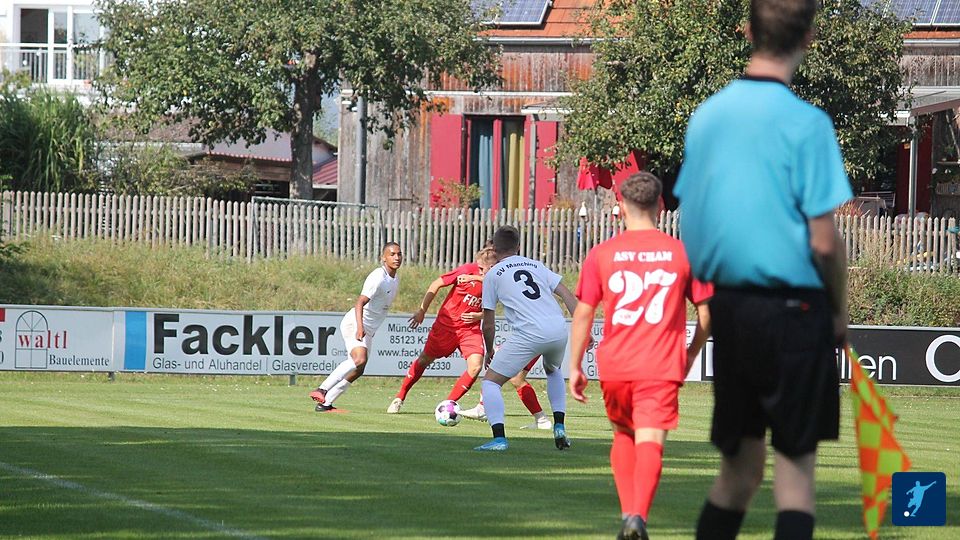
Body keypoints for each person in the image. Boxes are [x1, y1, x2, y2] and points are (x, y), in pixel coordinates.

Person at [673, 0, 852, 537]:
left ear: (747, 30)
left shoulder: (707, 117)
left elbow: (691, 222)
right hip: (797, 310)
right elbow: (824, 242)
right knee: (794, 478)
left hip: (734, 308)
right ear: (810, 36)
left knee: (738, 473)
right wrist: (838, 312)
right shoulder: (807, 123)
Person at [569, 172, 713, 540]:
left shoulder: (602, 253)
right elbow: (707, 313)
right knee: (650, 440)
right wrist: (691, 353)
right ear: (661, 205)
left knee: (623, 436)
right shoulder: (683, 253)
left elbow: (583, 312)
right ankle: (638, 517)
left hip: (616, 363)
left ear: (620, 206)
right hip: (661, 364)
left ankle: (627, 514)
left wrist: (575, 365)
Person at [474, 225, 580, 451]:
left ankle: (499, 439)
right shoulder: (536, 265)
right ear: (518, 247)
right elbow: (567, 295)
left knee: (491, 382)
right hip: (558, 328)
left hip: (529, 332)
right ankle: (559, 426)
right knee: (553, 370)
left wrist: (489, 350)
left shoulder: (493, 274)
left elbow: (488, 323)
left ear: (494, 248)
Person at [386, 248, 497, 413]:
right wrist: (422, 310)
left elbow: (492, 308)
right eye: (478, 267)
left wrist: (479, 315)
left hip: (469, 330)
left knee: (475, 367)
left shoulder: (497, 280)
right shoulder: (467, 269)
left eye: (482, 268)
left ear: (493, 267)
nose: (478, 270)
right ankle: (400, 397)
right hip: (446, 326)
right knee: (424, 360)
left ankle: (447, 406)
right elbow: (436, 284)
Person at [310, 242, 403, 412]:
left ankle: (326, 403)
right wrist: (360, 327)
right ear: (383, 258)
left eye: (399, 254)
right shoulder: (378, 277)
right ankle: (322, 389)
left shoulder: (394, 278)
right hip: (355, 322)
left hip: (369, 328)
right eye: (392, 254)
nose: (396, 257)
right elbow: (360, 302)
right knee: (359, 359)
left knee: (359, 368)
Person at [459, 355, 554, 430]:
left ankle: (483, 408)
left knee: (497, 364)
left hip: (532, 339)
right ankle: (542, 420)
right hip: (542, 338)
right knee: (517, 378)